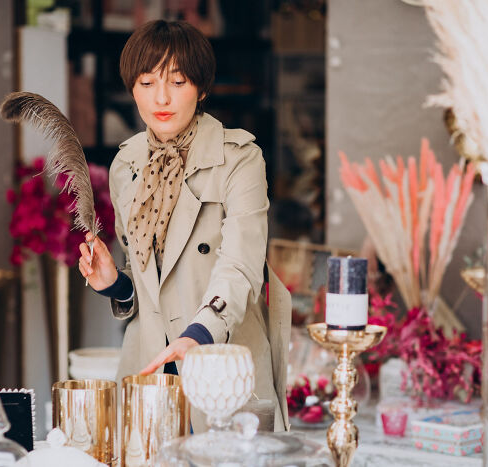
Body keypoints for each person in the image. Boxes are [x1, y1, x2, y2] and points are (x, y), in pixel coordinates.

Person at [78, 20, 290, 431]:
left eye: (177, 82)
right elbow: (149, 284)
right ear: (131, 88)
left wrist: (200, 334)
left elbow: (241, 265)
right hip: (151, 369)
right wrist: (114, 284)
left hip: (222, 360)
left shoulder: (240, 159)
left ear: (202, 89)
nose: (161, 97)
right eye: (146, 81)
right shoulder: (126, 165)